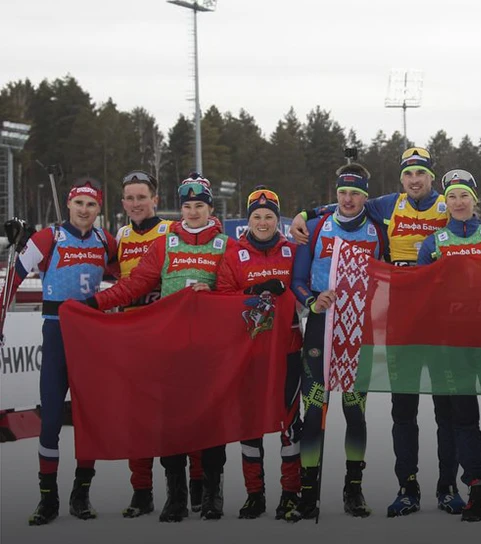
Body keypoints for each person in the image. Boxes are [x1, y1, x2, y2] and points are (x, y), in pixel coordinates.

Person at [289, 147, 465, 517]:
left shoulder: (445, 206)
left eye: (421, 173)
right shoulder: (372, 210)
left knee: (434, 408)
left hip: (420, 321)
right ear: (400, 179)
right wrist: (305, 214)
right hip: (334, 326)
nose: (414, 179)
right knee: (322, 405)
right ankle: (314, 490)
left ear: (432, 176)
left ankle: (437, 487)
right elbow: (299, 278)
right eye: (408, 173)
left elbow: (477, 230)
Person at [89, 174, 231, 522]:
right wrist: (93, 303)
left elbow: (233, 291)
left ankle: (212, 494)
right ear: (179, 208)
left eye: (199, 206)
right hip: (172, 346)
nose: (193, 212)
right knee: (171, 421)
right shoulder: (166, 243)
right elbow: (135, 283)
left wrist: (211, 297)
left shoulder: (225, 245)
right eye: (187, 206)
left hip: (209, 348)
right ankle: (176, 496)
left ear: (210, 208)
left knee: (211, 420)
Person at [7, 178, 118, 525]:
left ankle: (81, 494)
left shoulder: (106, 240)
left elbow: (127, 278)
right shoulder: (50, 237)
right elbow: (14, 277)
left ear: (99, 209)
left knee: (88, 419)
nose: (85, 211)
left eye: (91, 205)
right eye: (79, 204)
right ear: (69, 206)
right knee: (52, 418)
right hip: (57, 332)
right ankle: (47, 499)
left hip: (90, 334)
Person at [418, 169, 481, 522]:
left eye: (464, 196)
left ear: (475, 200)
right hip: (452, 345)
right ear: (444, 203)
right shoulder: (433, 242)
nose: (459, 203)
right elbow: (419, 294)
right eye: (452, 197)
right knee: (464, 419)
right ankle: (476, 488)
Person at [287, 164, 385, 521]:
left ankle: (353, 489)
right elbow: (296, 278)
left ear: (365, 196)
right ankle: (308, 492)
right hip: (320, 328)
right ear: (336, 192)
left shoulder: (377, 231)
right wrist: (312, 301)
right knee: (314, 411)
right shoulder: (314, 227)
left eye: (355, 193)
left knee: (354, 411)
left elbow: (388, 276)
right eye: (343, 192)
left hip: (360, 331)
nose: (348, 199)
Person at [113, 170, 205, 519]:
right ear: (123, 203)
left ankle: (195, 485)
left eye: (142, 197)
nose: (136, 204)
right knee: (138, 416)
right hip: (134, 333)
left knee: (184, 412)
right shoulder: (119, 235)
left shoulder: (171, 230)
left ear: (155, 199)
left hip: (171, 332)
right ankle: (141, 490)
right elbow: (114, 273)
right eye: (130, 198)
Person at [214, 186, 304, 520]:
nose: (263, 222)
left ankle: (291, 493)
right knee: (249, 423)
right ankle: (255, 494)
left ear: (277, 219)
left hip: (287, 349)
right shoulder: (234, 253)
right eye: (257, 217)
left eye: (269, 216)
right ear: (248, 220)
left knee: (289, 422)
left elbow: (307, 285)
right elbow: (222, 297)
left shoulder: (292, 251)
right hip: (249, 350)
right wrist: (253, 290)